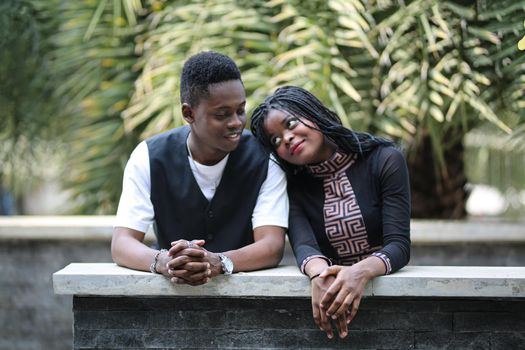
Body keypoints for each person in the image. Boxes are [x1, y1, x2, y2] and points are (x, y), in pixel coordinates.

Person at [111, 51, 288, 286]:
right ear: (188, 113)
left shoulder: (264, 160)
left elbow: (272, 246)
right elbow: (122, 242)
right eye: (222, 114)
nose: (236, 122)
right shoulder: (149, 157)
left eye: (240, 110)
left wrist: (218, 261)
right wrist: (163, 261)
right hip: (171, 300)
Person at [250, 86, 410, 339]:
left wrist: (359, 272)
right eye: (276, 140)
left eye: (291, 123)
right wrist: (318, 275)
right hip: (328, 305)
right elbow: (304, 246)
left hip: (394, 305)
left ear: (313, 113)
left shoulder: (384, 160)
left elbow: (399, 245)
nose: (287, 138)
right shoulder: (294, 185)